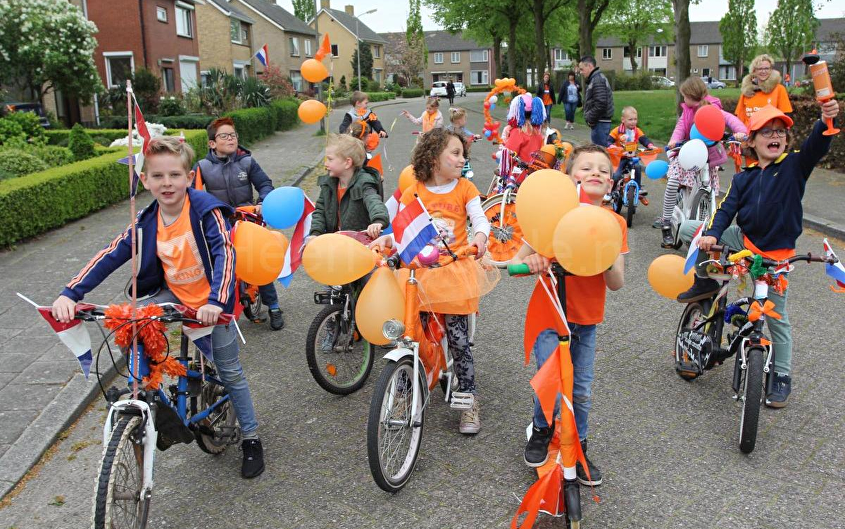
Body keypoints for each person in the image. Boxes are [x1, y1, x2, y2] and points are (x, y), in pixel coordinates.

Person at [51, 137, 265, 478]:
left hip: (212, 300)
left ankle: (252, 438)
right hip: (174, 294)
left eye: (175, 175)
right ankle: (145, 395)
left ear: (189, 176)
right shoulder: (146, 219)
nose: (167, 183)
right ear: (145, 180)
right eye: (158, 176)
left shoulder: (205, 211)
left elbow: (226, 255)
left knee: (230, 372)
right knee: (132, 322)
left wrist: (216, 302)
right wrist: (70, 293)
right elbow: (111, 254)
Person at [677, 100, 839, 408]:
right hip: (743, 240)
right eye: (766, 132)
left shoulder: (794, 166)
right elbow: (725, 211)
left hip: (776, 258)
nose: (774, 136)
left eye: (780, 132)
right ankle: (706, 283)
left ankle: (781, 376)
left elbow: (817, 145)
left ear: (786, 141)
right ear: (752, 140)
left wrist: (825, 121)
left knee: (776, 319)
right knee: (691, 231)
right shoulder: (744, 178)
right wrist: (711, 235)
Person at [511, 144, 627, 485]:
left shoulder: (614, 222)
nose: (596, 173)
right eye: (587, 167)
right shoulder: (554, 214)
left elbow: (617, 283)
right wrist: (531, 261)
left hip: (587, 318)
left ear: (611, 184)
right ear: (569, 177)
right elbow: (519, 261)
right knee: (550, 379)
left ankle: (580, 445)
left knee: (581, 390)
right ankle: (543, 430)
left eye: (604, 170)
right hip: (550, 313)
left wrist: (605, 257)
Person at [370, 128, 494, 434]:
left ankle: (468, 399)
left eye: (463, 154)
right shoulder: (414, 190)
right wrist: (384, 238)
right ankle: (404, 392)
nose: (461, 158)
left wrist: (479, 239)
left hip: (453, 272)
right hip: (418, 274)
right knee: (408, 336)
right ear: (433, 157)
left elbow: (480, 219)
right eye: (455, 152)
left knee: (459, 342)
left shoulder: (464, 188)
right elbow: (400, 228)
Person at [193, 117, 283, 331]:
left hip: (249, 219)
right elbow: (193, 194)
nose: (230, 139)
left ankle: (274, 307)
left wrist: (262, 201)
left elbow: (265, 183)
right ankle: (222, 311)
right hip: (220, 223)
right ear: (212, 143)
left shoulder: (247, 162)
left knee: (259, 262)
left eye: (233, 135)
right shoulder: (202, 167)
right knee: (222, 267)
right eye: (224, 136)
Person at [658, 76, 748, 248]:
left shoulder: (712, 109)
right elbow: (680, 128)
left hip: (708, 157)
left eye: (684, 96)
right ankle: (666, 221)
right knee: (673, 182)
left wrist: (740, 132)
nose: (683, 99)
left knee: (711, 189)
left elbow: (730, 120)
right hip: (688, 154)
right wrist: (673, 141)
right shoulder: (687, 112)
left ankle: (709, 227)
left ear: (691, 95)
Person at [307, 134, 389, 243]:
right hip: (335, 242)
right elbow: (320, 211)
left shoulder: (364, 183)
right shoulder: (328, 184)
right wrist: (315, 233)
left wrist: (378, 220)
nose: (325, 164)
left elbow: (374, 201)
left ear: (347, 163)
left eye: (330, 159)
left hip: (359, 243)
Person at [735, 54, 793, 127]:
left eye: (766, 68)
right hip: (749, 135)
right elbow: (739, 117)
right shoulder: (747, 91)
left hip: (769, 134)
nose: (763, 71)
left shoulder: (779, 89)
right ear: (754, 71)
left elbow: (786, 115)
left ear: (771, 70)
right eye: (760, 69)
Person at [607, 106, 655, 192]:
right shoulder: (617, 131)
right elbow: (608, 141)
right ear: (623, 120)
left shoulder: (637, 131)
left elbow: (644, 139)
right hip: (619, 158)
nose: (633, 122)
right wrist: (612, 146)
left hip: (632, 157)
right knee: (616, 175)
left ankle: (638, 188)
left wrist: (650, 146)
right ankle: (610, 192)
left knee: (637, 167)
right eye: (630, 119)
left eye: (635, 119)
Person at [579, 56, 614, 145]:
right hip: (599, 122)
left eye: (582, 69)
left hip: (600, 123)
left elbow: (601, 104)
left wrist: (590, 119)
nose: (581, 72)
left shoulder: (597, 80)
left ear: (590, 66)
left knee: (600, 152)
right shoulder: (595, 79)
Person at [504, 94, 546, 163]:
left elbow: (508, 157)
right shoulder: (537, 130)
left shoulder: (518, 132)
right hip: (534, 171)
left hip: (519, 172)